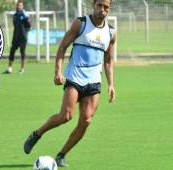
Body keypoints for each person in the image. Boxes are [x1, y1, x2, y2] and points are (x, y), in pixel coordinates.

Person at [24, 0, 116, 167]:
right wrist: (57, 71)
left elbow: (108, 60)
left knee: (86, 120)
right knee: (65, 116)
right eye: (99, 5)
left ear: (109, 9)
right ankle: (37, 134)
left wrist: (111, 84)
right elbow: (62, 47)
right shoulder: (80, 24)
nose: (102, 9)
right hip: (75, 78)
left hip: (94, 82)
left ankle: (61, 155)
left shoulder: (111, 32)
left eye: (106, 7)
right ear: (93, 5)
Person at [4, 1, 31, 74]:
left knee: (22, 53)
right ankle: (9, 68)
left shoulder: (25, 15)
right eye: (17, 5)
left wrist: (27, 19)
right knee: (12, 51)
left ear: (22, 6)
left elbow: (29, 26)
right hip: (15, 36)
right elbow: (15, 25)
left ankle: (22, 69)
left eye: (20, 5)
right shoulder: (15, 15)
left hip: (23, 37)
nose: (18, 6)